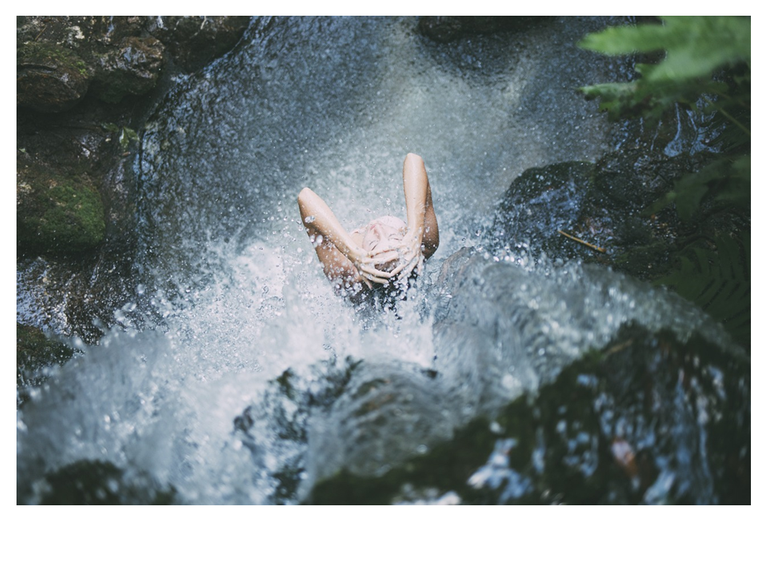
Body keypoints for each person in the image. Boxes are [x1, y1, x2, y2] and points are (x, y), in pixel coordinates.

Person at [298, 152, 439, 295]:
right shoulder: (422, 246)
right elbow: (413, 159)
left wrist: (352, 253)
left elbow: (305, 197)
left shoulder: (347, 274)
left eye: (374, 244)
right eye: (393, 238)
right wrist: (415, 232)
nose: (378, 229)